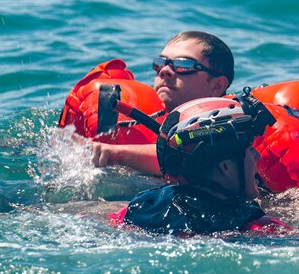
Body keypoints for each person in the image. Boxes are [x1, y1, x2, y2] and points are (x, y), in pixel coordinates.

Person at [111, 90, 281, 234]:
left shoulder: (139, 207)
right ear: (225, 167)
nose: (257, 156)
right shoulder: (258, 227)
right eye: (250, 150)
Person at [90, 31, 234, 175]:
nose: (164, 70)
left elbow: (188, 156)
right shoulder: (147, 120)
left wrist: (114, 153)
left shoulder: (231, 126)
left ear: (217, 86)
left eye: (183, 64)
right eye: (160, 63)